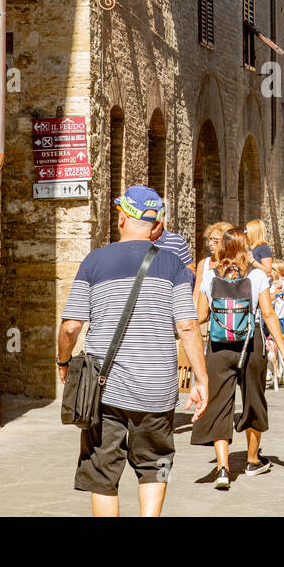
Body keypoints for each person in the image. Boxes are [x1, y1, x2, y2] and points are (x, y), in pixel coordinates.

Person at [58, 186, 207, 517]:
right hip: (158, 389)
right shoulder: (172, 265)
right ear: (154, 224)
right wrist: (202, 379)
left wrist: (63, 361)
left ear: (123, 217)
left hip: (104, 389)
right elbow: (187, 326)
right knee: (158, 464)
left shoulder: (95, 261)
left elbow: (70, 327)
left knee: (101, 473)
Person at [193, 227, 284, 489]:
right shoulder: (257, 276)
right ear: (244, 248)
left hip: (218, 347)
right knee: (253, 401)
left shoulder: (210, 276)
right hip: (251, 345)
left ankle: (223, 469)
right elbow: (269, 315)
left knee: (218, 406)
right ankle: (252, 461)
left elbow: (201, 315)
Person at [193, 222, 231, 295]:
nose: (210, 243)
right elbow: (197, 292)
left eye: (215, 240)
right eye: (210, 239)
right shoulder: (203, 264)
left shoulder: (232, 264)